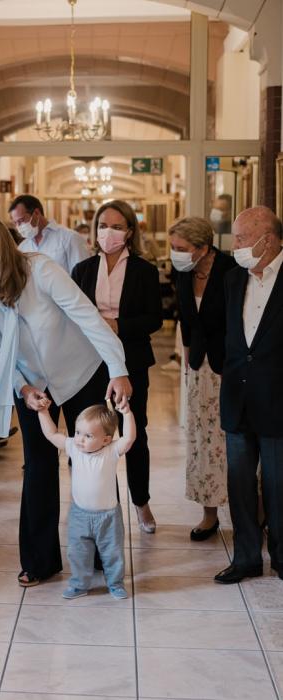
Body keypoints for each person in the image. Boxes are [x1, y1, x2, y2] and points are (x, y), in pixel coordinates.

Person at [0, 217, 131, 587]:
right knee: (37, 465)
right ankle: (39, 560)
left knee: (92, 459)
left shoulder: (42, 269)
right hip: (31, 384)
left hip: (81, 372)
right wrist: (22, 388)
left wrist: (118, 368)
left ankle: (103, 552)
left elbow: (88, 318)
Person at [71, 200, 162, 533]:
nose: (108, 232)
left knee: (134, 433)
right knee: (88, 434)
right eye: (103, 225)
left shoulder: (144, 271)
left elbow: (155, 319)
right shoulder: (82, 270)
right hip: (89, 363)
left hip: (132, 361)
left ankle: (141, 502)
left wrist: (118, 326)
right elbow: (71, 316)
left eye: (117, 226)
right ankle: (91, 503)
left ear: (130, 232)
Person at [216, 206, 283, 584]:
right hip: (237, 398)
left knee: (278, 485)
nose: (236, 245)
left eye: (242, 238)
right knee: (239, 484)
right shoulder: (233, 279)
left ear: (268, 240)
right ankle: (245, 558)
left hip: (277, 399)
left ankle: (282, 556)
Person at [169, 216, 236, 540]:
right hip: (198, 367)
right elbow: (186, 320)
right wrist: (186, 360)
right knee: (201, 441)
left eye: (180, 248)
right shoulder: (183, 273)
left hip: (230, 368)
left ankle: (255, 512)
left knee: (232, 441)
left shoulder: (231, 271)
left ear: (203, 248)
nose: (175, 254)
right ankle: (208, 513)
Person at [38, 403, 135, 600]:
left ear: (106, 439)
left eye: (88, 436)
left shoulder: (111, 451)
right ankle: (79, 584)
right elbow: (51, 435)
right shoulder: (74, 448)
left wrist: (127, 413)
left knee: (112, 553)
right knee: (78, 553)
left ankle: (115, 583)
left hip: (108, 517)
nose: (80, 439)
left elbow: (129, 438)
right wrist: (43, 412)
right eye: (78, 432)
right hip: (79, 515)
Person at [9, 194, 89, 273]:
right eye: (15, 223)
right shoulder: (23, 248)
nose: (18, 227)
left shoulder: (70, 238)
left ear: (36, 213)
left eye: (21, 221)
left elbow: (83, 277)